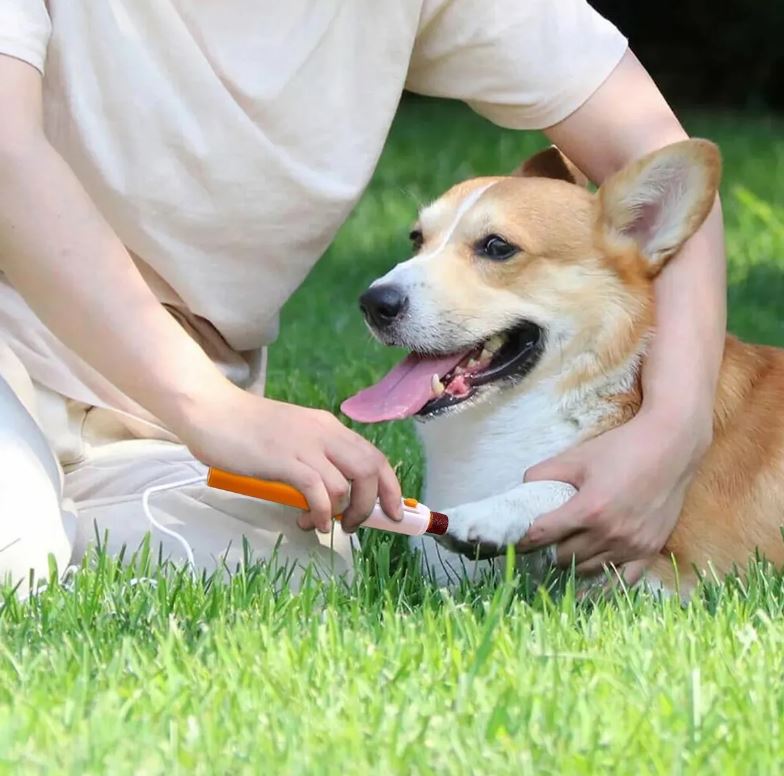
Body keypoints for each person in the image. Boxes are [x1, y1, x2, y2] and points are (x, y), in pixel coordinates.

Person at [0, 1, 725, 592]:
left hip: (153, 431)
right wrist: (215, 409)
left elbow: (653, 154)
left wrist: (673, 433)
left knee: (293, 575)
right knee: (16, 562)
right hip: (28, 365)